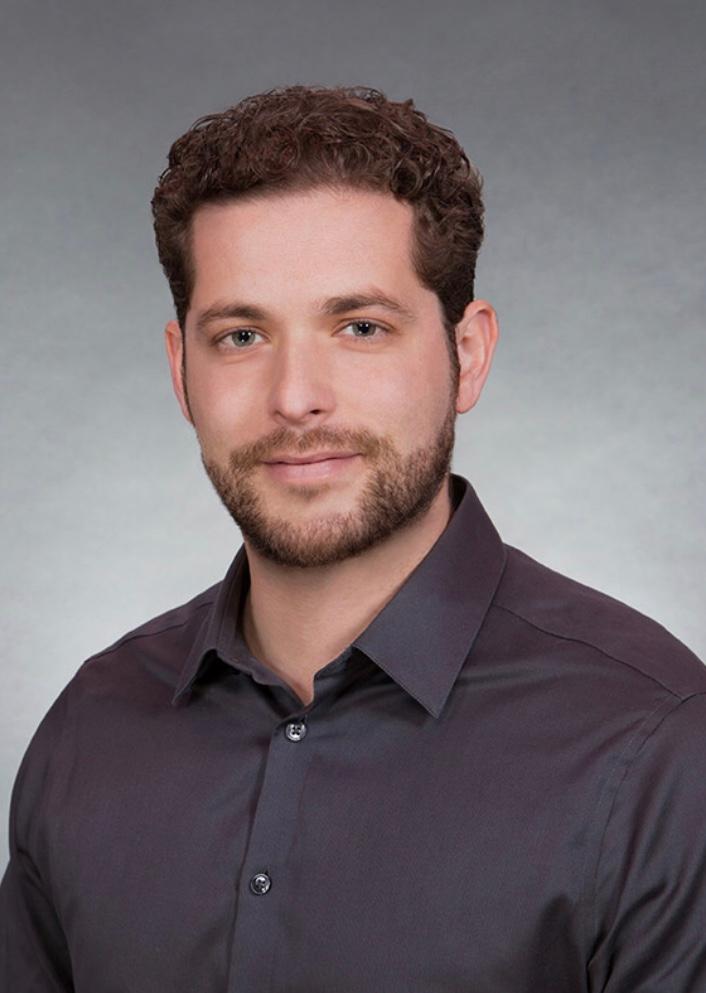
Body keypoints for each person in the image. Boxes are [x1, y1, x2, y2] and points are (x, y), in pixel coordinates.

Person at [1, 84, 704, 993]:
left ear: (468, 354)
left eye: (360, 327)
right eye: (242, 335)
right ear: (181, 371)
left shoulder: (658, 749)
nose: (296, 396)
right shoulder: (90, 731)